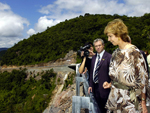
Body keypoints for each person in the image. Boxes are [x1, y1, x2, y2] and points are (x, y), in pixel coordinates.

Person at [103, 18, 148, 113]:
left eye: (110, 36)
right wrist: (110, 84)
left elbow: (143, 80)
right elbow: (117, 76)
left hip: (129, 101)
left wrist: (143, 103)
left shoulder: (134, 53)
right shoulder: (115, 53)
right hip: (114, 98)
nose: (108, 39)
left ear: (118, 34)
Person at [88, 38, 112, 113]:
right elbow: (92, 71)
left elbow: (113, 73)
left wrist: (111, 84)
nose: (98, 47)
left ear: (103, 45)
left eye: (99, 45)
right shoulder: (94, 57)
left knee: (107, 109)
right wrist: (90, 85)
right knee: (99, 108)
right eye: (96, 46)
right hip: (95, 88)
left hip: (105, 88)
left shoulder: (109, 57)